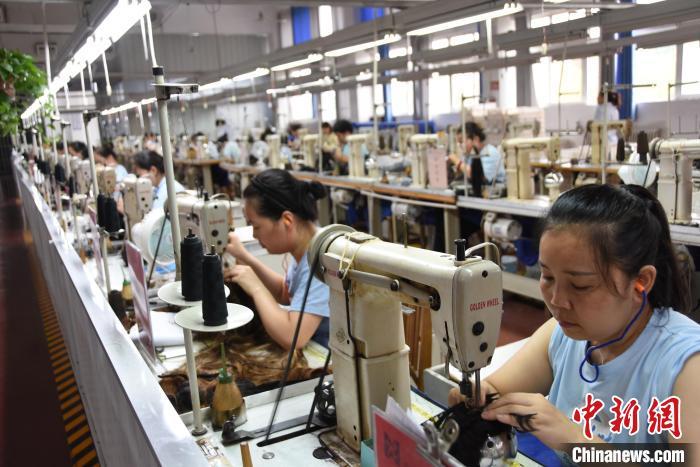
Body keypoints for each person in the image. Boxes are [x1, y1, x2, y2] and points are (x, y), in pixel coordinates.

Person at [449, 184, 700, 459]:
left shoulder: (686, 366)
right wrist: (480, 395)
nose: (557, 300)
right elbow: (496, 391)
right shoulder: (563, 335)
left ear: (641, 281)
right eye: (547, 277)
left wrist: (576, 440)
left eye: (580, 286)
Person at [224, 169, 330, 349]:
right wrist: (245, 257)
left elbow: (293, 337)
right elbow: (285, 293)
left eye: (256, 226)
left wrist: (256, 288)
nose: (254, 234)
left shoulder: (321, 259)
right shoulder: (306, 246)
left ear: (287, 220)